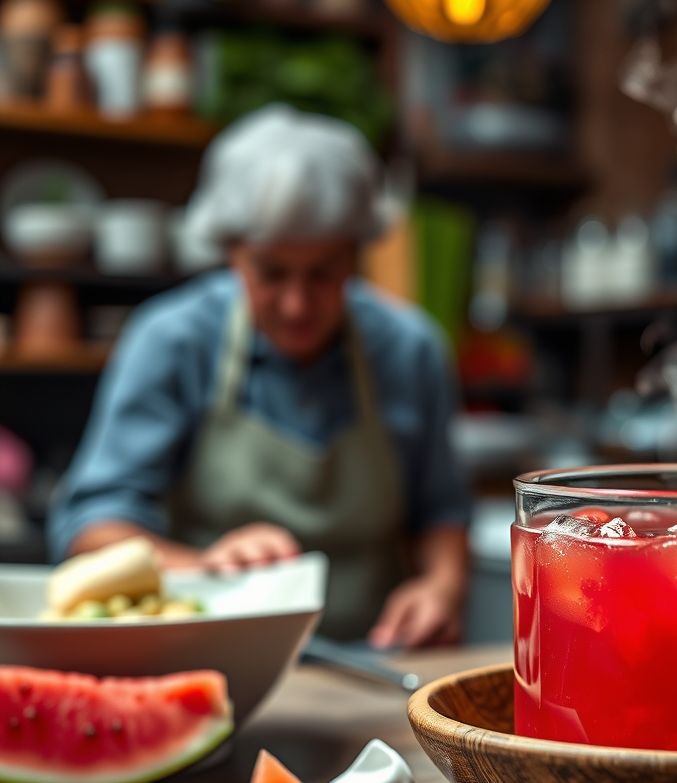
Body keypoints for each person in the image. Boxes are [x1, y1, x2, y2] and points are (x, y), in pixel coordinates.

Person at [48, 105, 471, 648]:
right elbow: (90, 525)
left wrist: (442, 584)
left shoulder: (411, 350)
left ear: (357, 255)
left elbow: (440, 509)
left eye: (324, 272)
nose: (297, 304)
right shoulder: (173, 341)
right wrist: (201, 566)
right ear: (231, 254)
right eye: (271, 273)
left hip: (375, 665)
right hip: (208, 659)